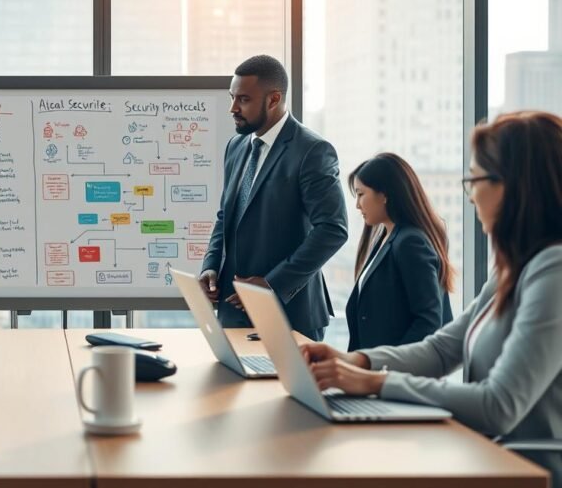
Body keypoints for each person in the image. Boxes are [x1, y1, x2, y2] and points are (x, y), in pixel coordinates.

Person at [302, 111, 562, 486]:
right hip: (490, 461)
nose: (470, 195)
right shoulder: (513, 268)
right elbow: (442, 349)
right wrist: (353, 360)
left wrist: (372, 383)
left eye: (474, 180)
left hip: (530, 475)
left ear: (515, 185)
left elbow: (499, 405)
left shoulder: (553, 271)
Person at [199, 55, 348, 341]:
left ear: (273, 99)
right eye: (232, 98)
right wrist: (211, 266)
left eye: (243, 99)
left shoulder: (312, 150)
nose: (233, 108)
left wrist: (272, 284)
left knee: (285, 389)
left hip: (290, 313)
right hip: (233, 311)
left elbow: (333, 229)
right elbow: (225, 217)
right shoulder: (236, 146)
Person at [344, 153, 455, 351]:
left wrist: (388, 367)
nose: (357, 205)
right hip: (373, 368)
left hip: (395, 373)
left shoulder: (410, 242)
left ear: (384, 195)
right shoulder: (386, 236)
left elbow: (428, 321)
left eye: (361, 194)